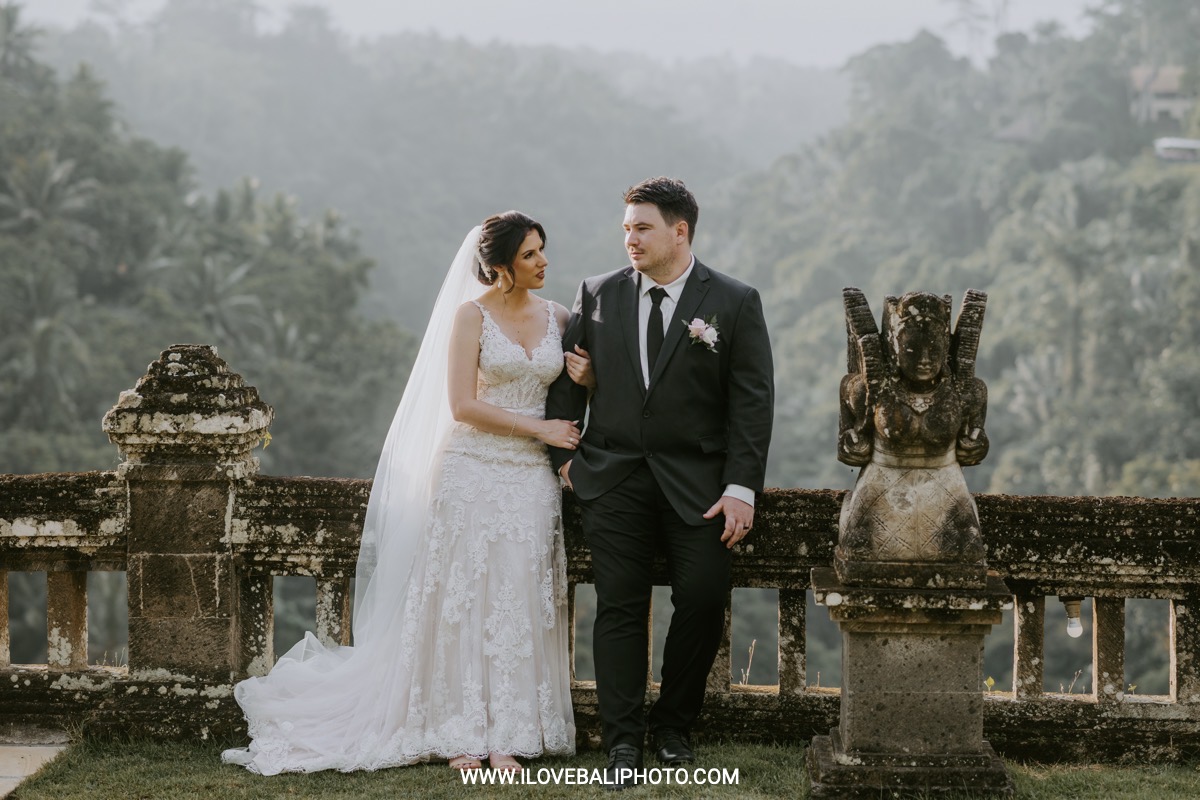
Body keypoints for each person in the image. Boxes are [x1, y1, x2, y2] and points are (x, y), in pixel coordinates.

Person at [223, 211, 590, 775]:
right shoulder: (471, 317)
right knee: (460, 601)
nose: (543, 262)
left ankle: (510, 732)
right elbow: (462, 406)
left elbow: (572, 392)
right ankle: (459, 730)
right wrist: (539, 429)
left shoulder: (558, 317)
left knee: (517, 597)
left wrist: (586, 381)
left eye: (542, 249)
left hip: (529, 481)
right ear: (500, 268)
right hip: (471, 469)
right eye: (529, 255)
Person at [546, 177, 774, 789]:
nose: (630, 239)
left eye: (642, 227)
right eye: (626, 228)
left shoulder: (734, 300)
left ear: (680, 231)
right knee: (619, 606)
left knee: (702, 597)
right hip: (612, 478)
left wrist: (741, 488)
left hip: (700, 486)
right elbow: (566, 381)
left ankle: (674, 727)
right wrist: (566, 461)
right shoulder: (597, 293)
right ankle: (622, 741)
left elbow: (752, 403)